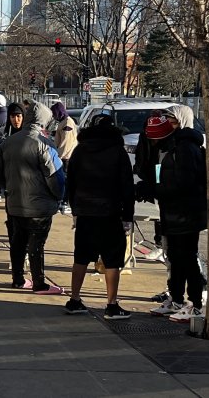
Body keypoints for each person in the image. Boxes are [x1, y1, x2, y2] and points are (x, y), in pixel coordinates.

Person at [63, 114, 135, 319]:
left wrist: (75, 209)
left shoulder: (80, 150)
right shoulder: (117, 152)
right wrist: (127, 216)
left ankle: (74, 299)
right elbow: (127, 186)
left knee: (81, 257)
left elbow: (72, 182)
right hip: (110, 212)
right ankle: (111, 305)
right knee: (112, 260)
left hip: (85, 211)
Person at [141, 107, 208, 323]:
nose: (168, 123)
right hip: (171, 211)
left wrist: (154, 189)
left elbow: (185, 184)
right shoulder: (168, 146)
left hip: (186, 213)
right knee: (175, 259)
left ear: (182, 121)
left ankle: (196, 305)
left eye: (172, 120)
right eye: (166, 120)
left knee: (188, 258)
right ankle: (177, 299)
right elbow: (162, 177)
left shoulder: (187, 148)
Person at [0, 102, 63, 295]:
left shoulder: (8, 142)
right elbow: (55, 176)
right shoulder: (44, 142)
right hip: (39, 205)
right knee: (37, 243)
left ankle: (18, 279)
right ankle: (39, 283)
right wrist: (59, 196)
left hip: (15, 202)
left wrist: (7, 187)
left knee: (18, 241)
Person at [0, 103, 26, 201]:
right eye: (12, 116)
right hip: (9, 182)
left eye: (18, 116)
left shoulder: (29, 135)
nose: (16, 120)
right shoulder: (4, 134)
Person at [51, 102, 78, 214]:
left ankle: (65, 203)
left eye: (54, 113)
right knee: (61, 181)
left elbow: (66, 143)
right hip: (63, 157)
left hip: (66, 158)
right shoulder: (63, 122)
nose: (53, 116)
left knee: (65, 181)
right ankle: (62, 201)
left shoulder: (67, 123)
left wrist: (58, 156)